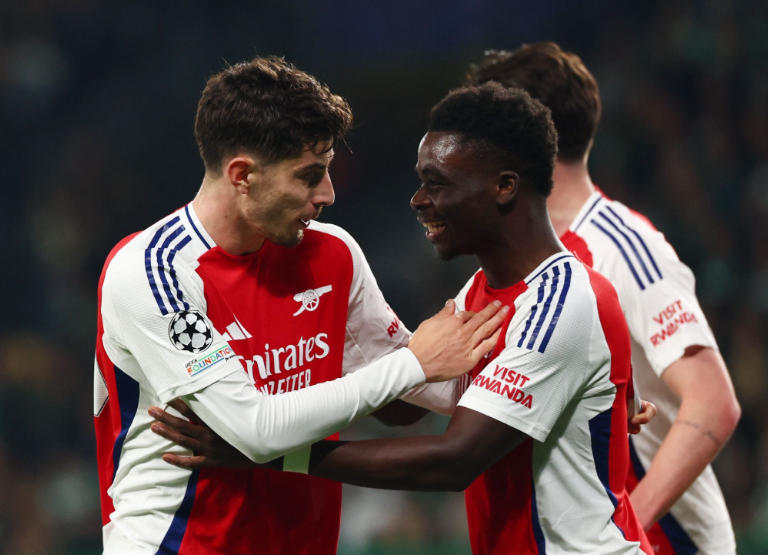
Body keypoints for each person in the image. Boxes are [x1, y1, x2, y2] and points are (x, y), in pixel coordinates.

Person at [151, 82, 655, 554]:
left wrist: (270, 452)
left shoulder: (562, 301)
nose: (418, 200)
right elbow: (418, 396)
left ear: (504, 187)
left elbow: (453, 460)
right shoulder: (482, 293)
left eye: (436, 183)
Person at [93, 56, 506, 554]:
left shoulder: (331, 254)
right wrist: (413, 363)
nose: (327, 194)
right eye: (309, 176)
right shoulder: (153, 272)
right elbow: (253, 431)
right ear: (243, 175)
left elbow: (425, 390)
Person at [465, 42, 741, 554]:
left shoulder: (624, 248)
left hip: (665, 544)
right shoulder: (516, 256)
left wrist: (625, 529)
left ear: (521, 135)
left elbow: (713, 404)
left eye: (479, 132)